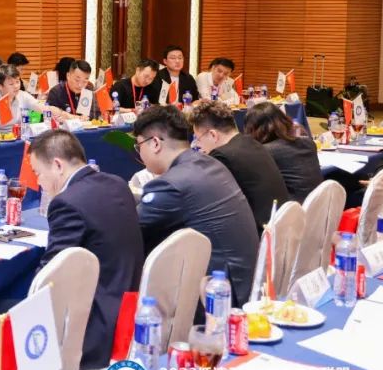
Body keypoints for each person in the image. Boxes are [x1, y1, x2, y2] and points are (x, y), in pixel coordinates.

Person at [31, 130, 144, 369]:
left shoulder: (67, 203)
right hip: (131, 308)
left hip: (95, 328)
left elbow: (50, 279)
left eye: (38, 173)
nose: (38, 182)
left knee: (0, 311)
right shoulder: (117, 183)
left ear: (57, 165)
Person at [133, 106, 259, 305]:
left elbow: (131, 230)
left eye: (139, 145)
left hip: (222, 297)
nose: (139, 153)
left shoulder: (171, 184)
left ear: (155, 143)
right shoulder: (209, 163)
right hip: (247, 280)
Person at [190, 101, 289, 233]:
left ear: (213, 135)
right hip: (282, 227)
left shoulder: (221, 156)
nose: (199, 145)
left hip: (262, 237)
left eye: (198, 138)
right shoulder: (252, 142)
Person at [244, 102, 324, 202]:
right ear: (284, 120)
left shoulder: (265, 152)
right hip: (320, 205)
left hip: (291, 209)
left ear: (254, 130)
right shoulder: (308, 142)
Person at [0, 65, 40, 133]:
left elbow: (40, 109)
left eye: (17, 81)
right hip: (1, 138)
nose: (16, 86)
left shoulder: (23, 95)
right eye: (11, 84)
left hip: (22, 136)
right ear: (0, 86)